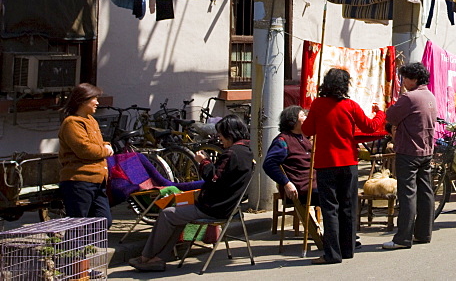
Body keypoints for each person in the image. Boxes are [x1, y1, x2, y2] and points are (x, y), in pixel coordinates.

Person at [129, 115, 253, 272]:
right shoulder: (246, 151)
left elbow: (214, 179)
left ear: (230, 133)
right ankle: (157, 259)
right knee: (177, 214)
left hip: (214, 207)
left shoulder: (232, 153)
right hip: (228, 205)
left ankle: (146, 257)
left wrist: (203, 162)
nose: (219, 138)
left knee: (168, 214)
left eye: (221, 134)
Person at [302, 68, 386, 265]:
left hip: (326, 163)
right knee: (348, 206)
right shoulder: (350, 105)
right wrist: (380, 113)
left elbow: (307, 130)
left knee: (330, 208)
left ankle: (332, 253)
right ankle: (347, 249)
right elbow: (370, 126)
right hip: (349, 162)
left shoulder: (319, 104)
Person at [383, 62, 437, 250]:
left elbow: (391, 116)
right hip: (426, 150)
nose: (403, 81)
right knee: (425, 193)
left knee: (407, 195)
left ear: (414, 79)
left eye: (405, 77)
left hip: (409, 150)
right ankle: (423, 233)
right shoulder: (430, 95)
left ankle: (403, 238)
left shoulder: (410, 97)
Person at [263, 105, 321, 249]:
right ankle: (330, 237)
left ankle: (337, 235)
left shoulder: (304, 138)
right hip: (301, 187)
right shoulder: (283, 141)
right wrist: (286, 183)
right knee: (331, 196)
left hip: (315, 183)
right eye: (303, 116)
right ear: (293, 120)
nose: (306, 119)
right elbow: (269, 164)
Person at [58, 83, 113, 229]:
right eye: (94, 98)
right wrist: (106, 150)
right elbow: (85, 149)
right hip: (79, 180)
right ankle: (74, 250)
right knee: (78, 225)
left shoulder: (90, 120)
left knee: (103, 221)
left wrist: (106, 145)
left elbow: (97, 143)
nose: (97, 102)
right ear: (83, 100)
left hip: (98, 180)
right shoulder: (72, 123)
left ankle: (86, 248)